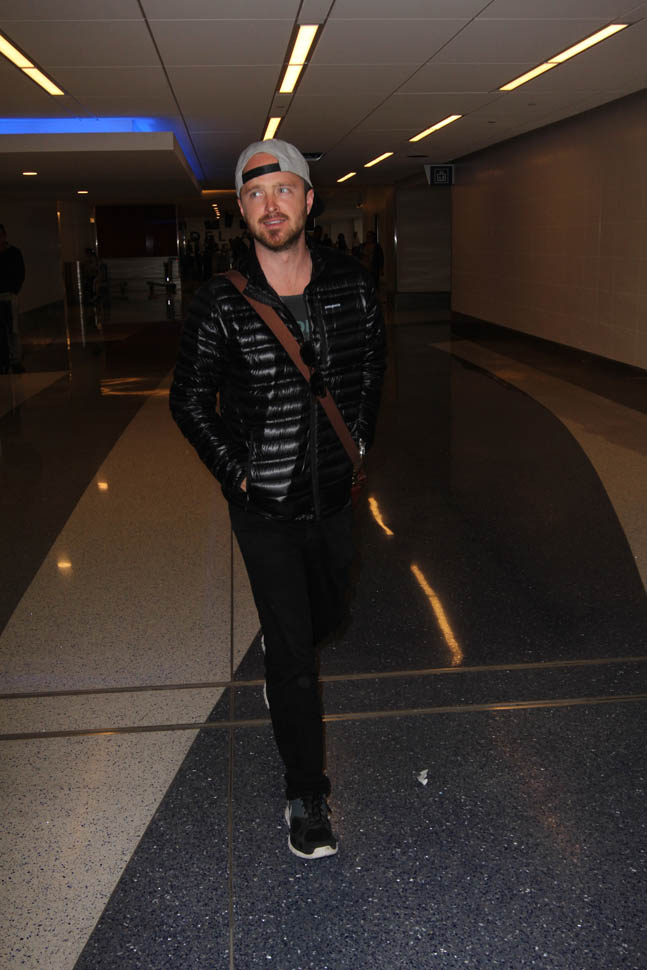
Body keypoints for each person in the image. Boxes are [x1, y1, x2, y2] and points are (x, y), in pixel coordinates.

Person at [170, 140, 385, 860]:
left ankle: (283, 646)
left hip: (334, 496)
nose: (271, 205)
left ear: (308, 200)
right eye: (256, 194)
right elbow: (188, 400)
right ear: (241, 208)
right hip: (262, 507)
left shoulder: (352, 287)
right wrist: (239, 475)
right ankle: (306, 794)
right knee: (295, 657)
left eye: (284, 190)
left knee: (328, 617)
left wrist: (356, 445)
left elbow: (371, 369)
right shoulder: (220, 303)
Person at [0, 224, 26, 373]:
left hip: (10, 296)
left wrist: (14, 290)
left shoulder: (14, 253)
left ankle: (15, 360)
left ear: (4, 235)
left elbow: (20, 273)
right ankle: (4, 360)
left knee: (13, 330)